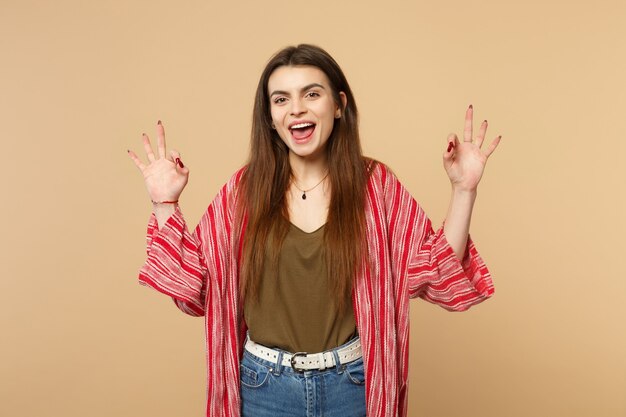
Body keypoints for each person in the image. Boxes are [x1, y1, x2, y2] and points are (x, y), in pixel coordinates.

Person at [128, 44, 500, 417]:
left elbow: (437, 272)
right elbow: (194, 285)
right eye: (281, 99)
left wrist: (464, 189)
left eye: (311, 94)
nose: (297, 109)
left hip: (352, 385)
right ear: (270, 117)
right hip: (263, 388)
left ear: (338, 105)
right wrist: (165, 203)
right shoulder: (243, 192)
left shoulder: (376, 186)